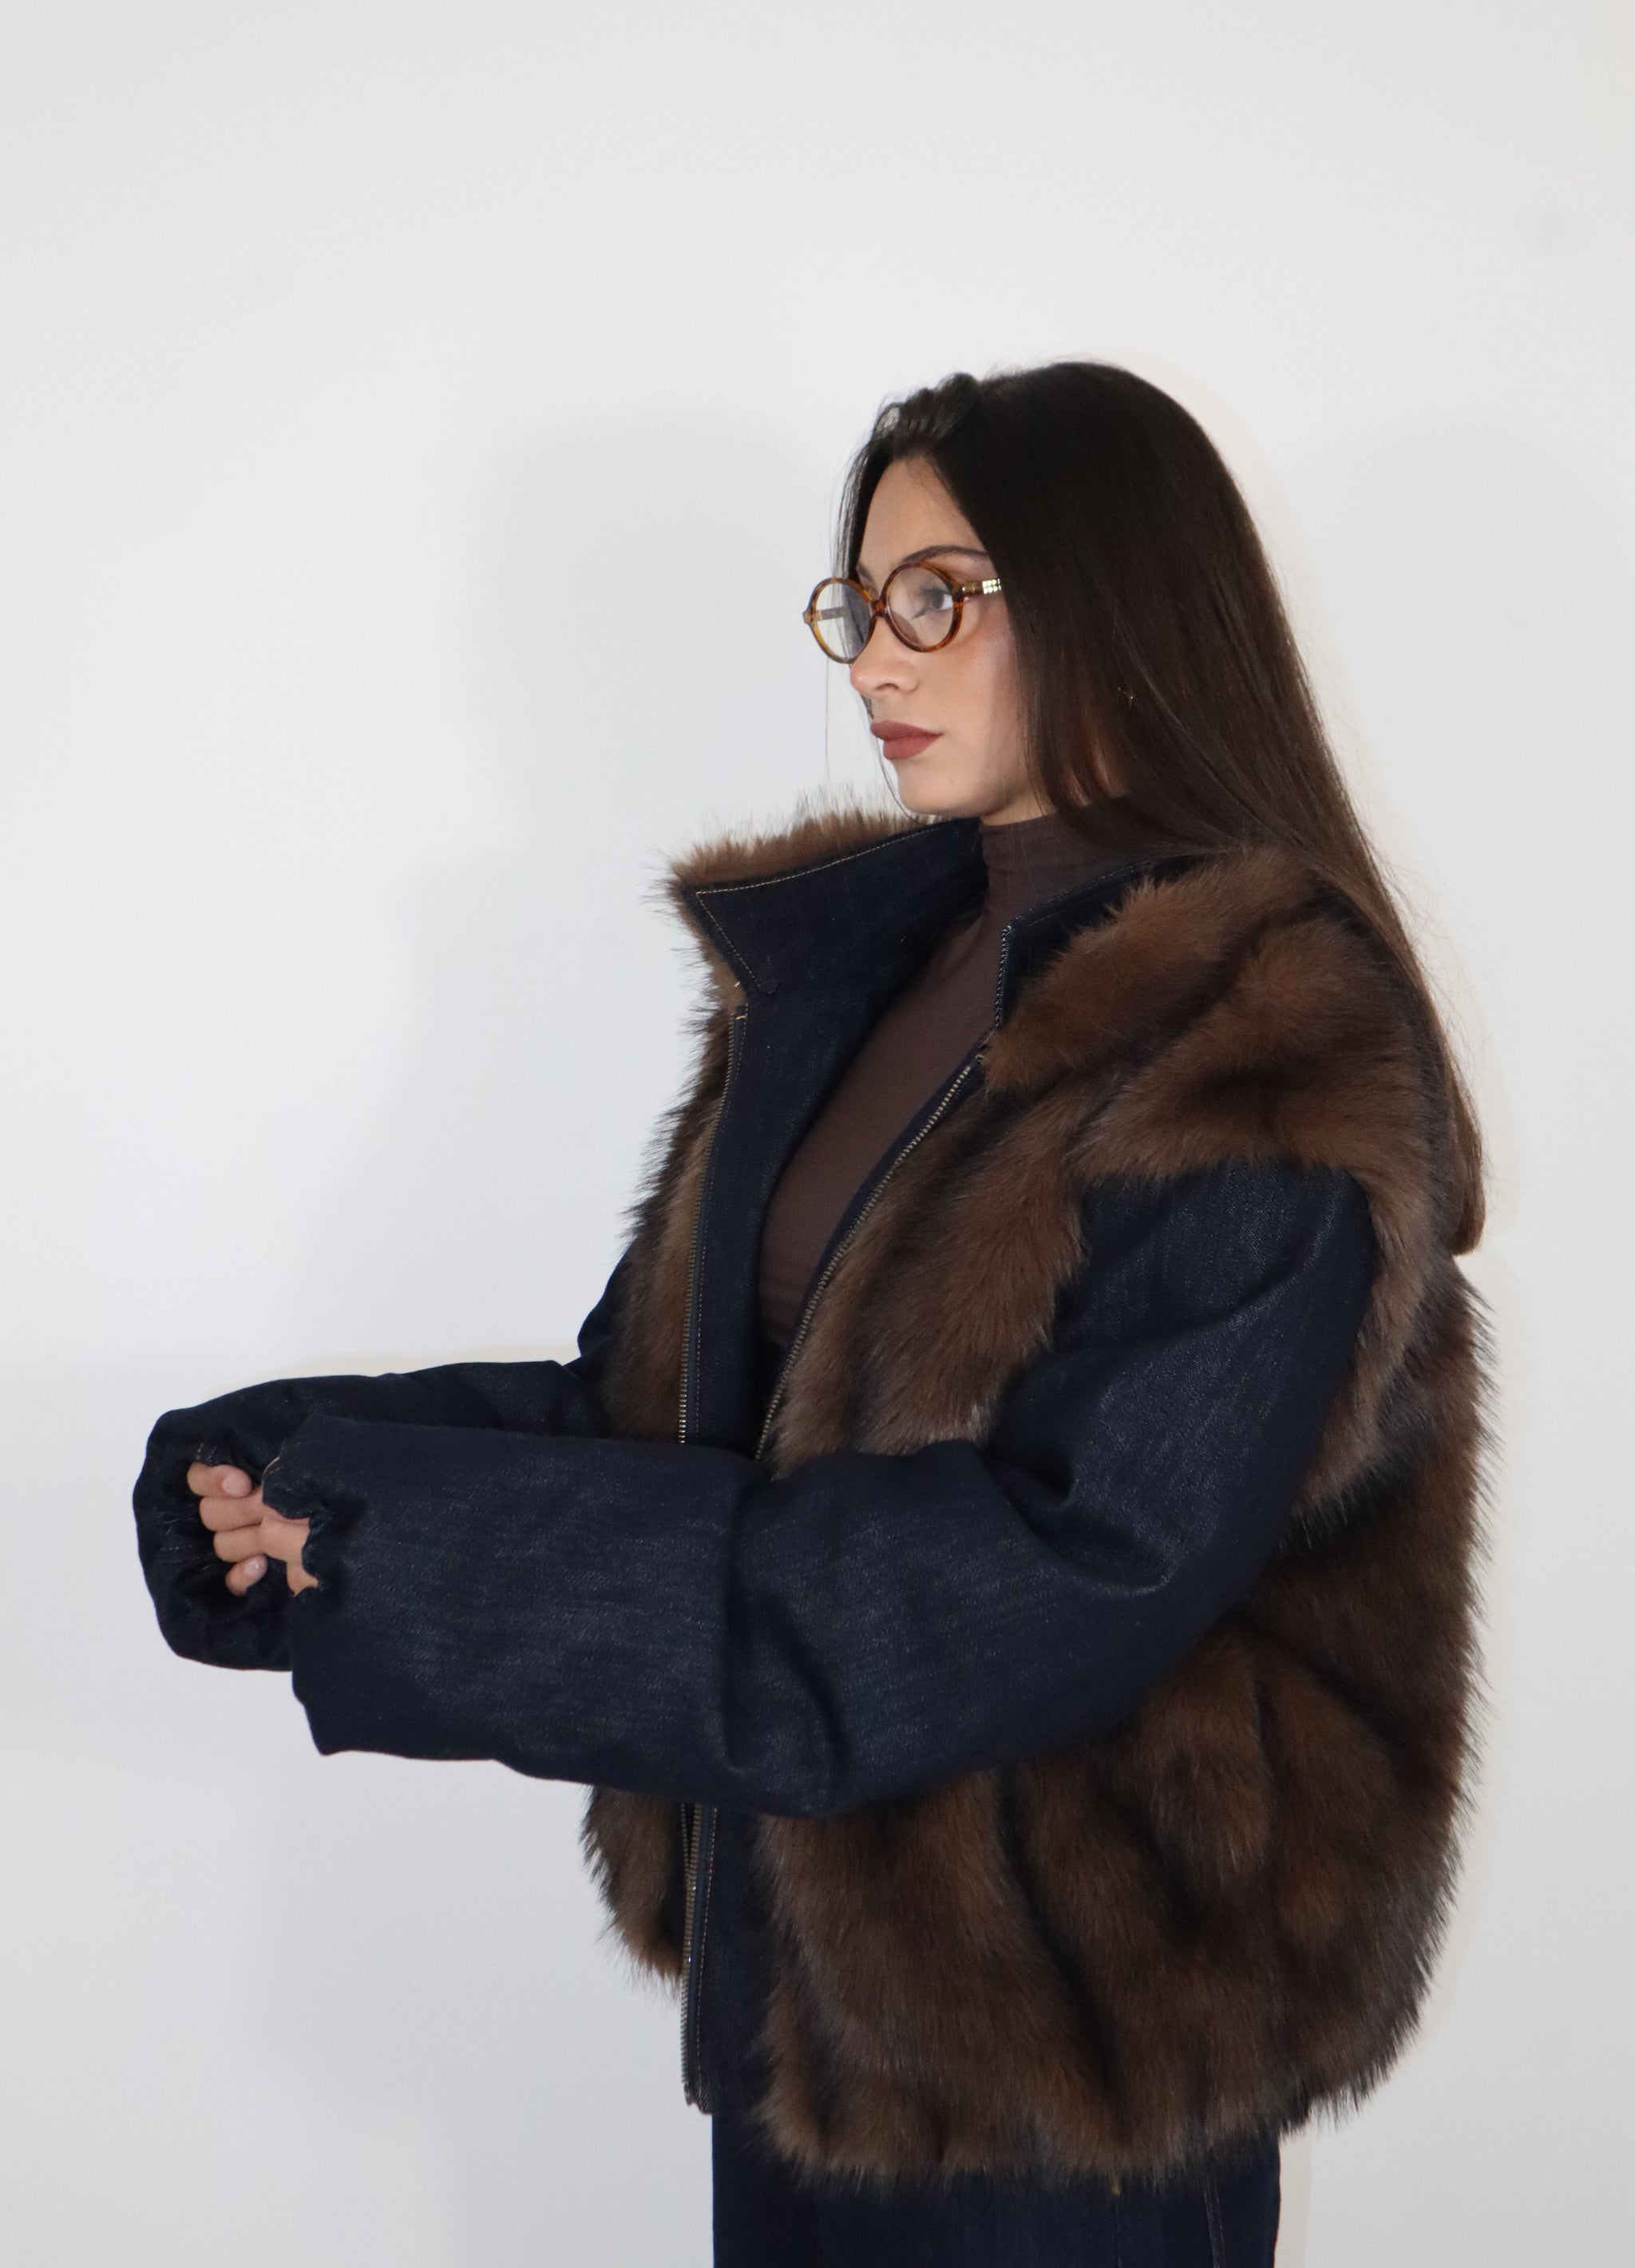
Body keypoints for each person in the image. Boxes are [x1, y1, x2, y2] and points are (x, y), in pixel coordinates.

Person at [134, 362, 1487, 2267]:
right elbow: (667, 1415)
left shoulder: (1257, 1038)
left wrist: (412, 1551)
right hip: (804, 2015)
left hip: (1072, 2067)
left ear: (1113, 593)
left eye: (941, 596)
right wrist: (311, 1471)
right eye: (861, 603)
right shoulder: (861, 976)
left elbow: (1056, 1570)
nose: (875, 660)